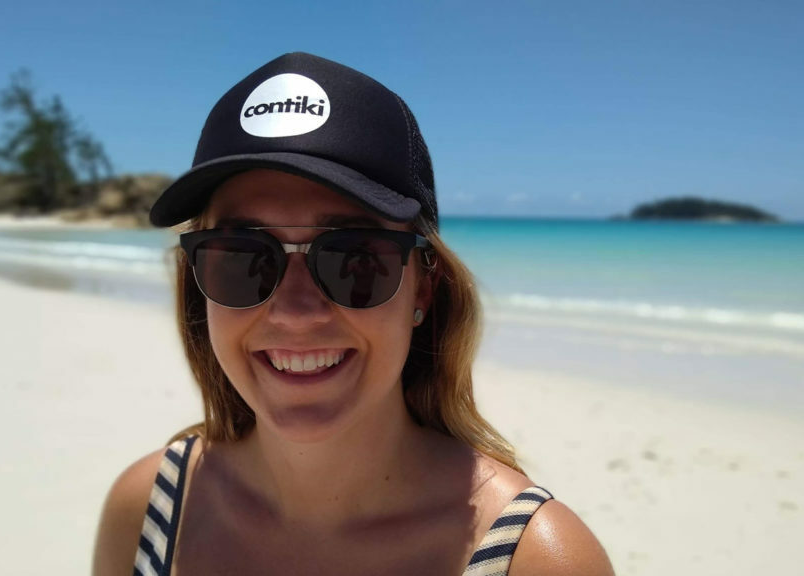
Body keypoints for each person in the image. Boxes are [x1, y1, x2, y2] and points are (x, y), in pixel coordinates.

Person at [93, 52, 613, 576]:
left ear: (424, 287)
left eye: (356, 259)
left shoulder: (536, 559)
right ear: (198, 287)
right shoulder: (148, 510)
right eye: (242, 259)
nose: (296, 313)